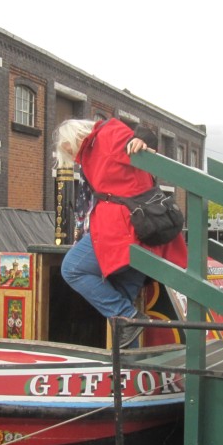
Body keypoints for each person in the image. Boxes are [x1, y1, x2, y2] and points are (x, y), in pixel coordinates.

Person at [54, 118, 188, 348]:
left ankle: (130, 317)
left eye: (69, 148)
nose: (73, 154)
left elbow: (138, 142)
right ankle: (128, 369)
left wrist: (142, 139)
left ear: (75, 136)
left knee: (72, 268)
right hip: (137, 230)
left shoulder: (107, 134)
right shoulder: (91, 150)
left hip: (124, 231)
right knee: (123, 301)